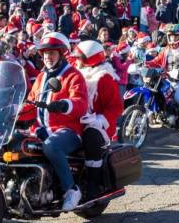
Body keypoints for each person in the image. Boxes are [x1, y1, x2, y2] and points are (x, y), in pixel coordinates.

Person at [24, 32, 89, 211]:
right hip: (40, 129)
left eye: (52, 52)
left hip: (68, 130)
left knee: (51, 146)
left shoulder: (73, 75)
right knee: (12, 142)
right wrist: (11, 110)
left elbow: (81, 103)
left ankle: (71, 190)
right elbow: (30, 103)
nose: (48, 56)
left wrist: (64, 104)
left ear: (61, 53)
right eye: (45, 53)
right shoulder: (40, 77)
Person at [73, 40, 123, 199]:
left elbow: (116, 107)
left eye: (80, 57)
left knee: (91, 138)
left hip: (99, 124)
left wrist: (99, 120)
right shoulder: (76, 73)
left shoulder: (104, 77)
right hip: (78, 119)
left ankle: (93, 183)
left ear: (90, 58)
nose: (76, 60)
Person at [147, 24, 179, 130]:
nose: (173, 38)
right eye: (171, 36)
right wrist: (144, 63)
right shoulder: (166, 49)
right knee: (156, 90)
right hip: (169, 79)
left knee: (178, 97)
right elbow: (156, 61)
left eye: (176, 36)